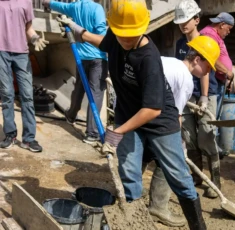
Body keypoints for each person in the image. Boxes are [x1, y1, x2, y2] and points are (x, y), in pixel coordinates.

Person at [56, 0, 206, 228]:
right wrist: (78, 30)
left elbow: (153, 109)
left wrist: (117, 132)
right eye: (120, 34)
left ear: (143, 28)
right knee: (128, 172)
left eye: (131, 35)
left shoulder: (148, 58)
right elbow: (103, 43)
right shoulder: (117, 36)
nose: (125, 40)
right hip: (128, 114)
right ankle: (134, 222)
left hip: (160, 123)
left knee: (179, 176)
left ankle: (198, 226)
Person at [143, 36, 220, 227]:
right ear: (196, 59)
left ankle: (127, 201)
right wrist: (179, 145)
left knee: (141, 157)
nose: (208, 72)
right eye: (208, 66)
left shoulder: (169, 61)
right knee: (168, 162)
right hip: (155, 118)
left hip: (137, 113)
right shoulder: (186, 79)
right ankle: (158, 208)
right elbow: (174, 116)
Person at [174, 0, 223, 198]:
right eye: (180, 21)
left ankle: (215, 181)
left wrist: (204, 97)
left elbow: (205, 72)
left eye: (186, 20)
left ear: (196, 19)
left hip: (206, 94)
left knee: (207, 136)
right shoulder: (180, 44)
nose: (183, 24)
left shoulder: (205, 41)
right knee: (190, 137)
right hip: (186, 95)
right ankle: (197, 175)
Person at [42, 0, 108, 144]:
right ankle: (92, 133)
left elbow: (57, 5)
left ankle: (71, 115)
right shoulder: (97, 9)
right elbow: (102, 35)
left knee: (79, 88)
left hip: (81, 58)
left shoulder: (75, 7)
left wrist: (46, 3)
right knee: (95, 93)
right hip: (98, 58)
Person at [0, 0, 49, 152]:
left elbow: (29, 28)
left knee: (27, 95)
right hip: (1, 52)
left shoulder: (26, 2)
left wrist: (35, 39)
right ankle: (10, 135)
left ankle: (29, 139)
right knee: (7, 94)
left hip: (21, 53)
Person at [200, 12, 235, 118]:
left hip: (219, 82)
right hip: (211, 83)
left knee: (215, 116)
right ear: (222, 25)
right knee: (211, 117)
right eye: (229, 28)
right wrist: (227, 71)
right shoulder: (210, 35)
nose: (229, 32)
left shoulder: (216, 35)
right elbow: (209, 58)